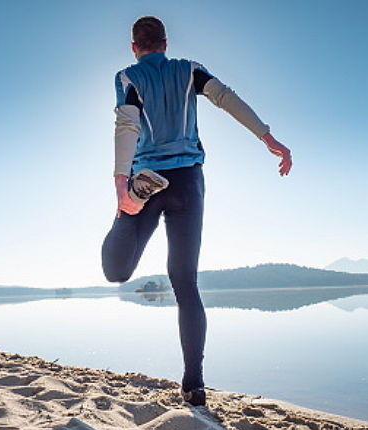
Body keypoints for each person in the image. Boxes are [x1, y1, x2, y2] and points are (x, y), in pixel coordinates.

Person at [101, 16, 292, 407]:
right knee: (184, 283)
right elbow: (226, 97)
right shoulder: (189, 70)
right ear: (165, 43)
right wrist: (267, 136)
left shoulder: (128, 76)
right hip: (188, 180)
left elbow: (127, 123)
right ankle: (194, 385)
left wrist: (121, 182)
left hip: (148, 177)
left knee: (116, 271)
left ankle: (129, 206)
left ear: (134, 47)